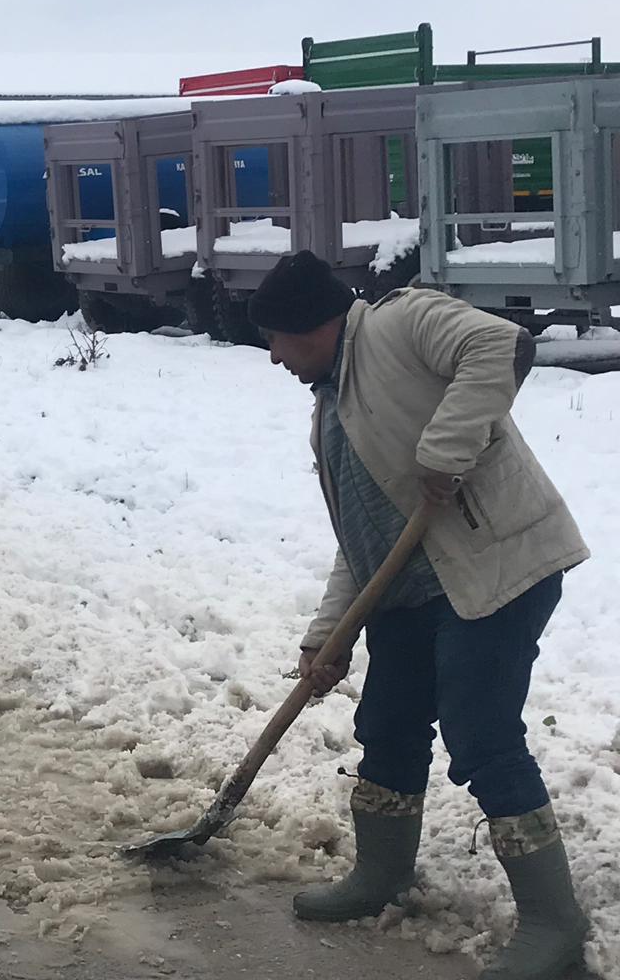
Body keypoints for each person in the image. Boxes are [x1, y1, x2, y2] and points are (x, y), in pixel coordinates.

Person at [250, 250, 589, 980]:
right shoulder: (332, 401)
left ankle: (555, 925)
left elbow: (503, 343)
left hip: (495, 569)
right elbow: (364, 539)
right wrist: (327, 637)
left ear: (316, 324)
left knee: (482, 733)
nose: (273, 356)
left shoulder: (400, 322)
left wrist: (447, 445)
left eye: (276, 338)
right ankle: (382, 873)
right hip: (409, 590)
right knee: (388, 724)